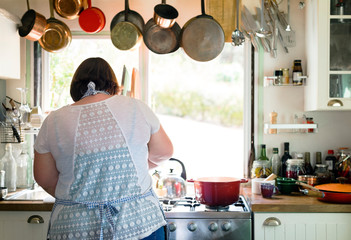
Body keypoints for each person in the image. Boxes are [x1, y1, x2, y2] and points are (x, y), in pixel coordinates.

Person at [34, 57, 173, 240]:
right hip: (139, 223)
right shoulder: (136, 107)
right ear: (112, 84)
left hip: (74, 228)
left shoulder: (53, 120)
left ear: (75, 87)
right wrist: (133, 166)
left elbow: (45, 178)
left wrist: (80, 198)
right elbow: (164, 152)